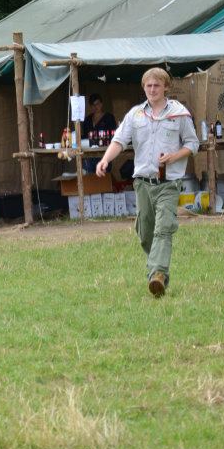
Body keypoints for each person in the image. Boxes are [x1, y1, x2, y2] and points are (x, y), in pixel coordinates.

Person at [96, 68, 199, 297]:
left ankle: (158, 275)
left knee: (164, 228)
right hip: (142, 182)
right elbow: (119, 141)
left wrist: (174, 156)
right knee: (145, 232)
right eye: (148, 86)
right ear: (144, 88)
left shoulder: (179, 113)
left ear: (166, 88)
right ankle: (156, 268)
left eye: (157, 86)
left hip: (169, 183)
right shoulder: (135, 115)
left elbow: (193, 144)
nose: (152, 90)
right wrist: (104, 160)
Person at [83, 94, 117, 173]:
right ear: (90, 106)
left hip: (104, 153)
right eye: (93, 105)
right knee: (90, 176)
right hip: (90, 154)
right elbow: (85, 136)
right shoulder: (87, 120)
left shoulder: (109, 117)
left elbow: (113, 134)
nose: (95, 107)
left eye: (97, 104)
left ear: (101, 104)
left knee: (103, 176)